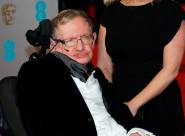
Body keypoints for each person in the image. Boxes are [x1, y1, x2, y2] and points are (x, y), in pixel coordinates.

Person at [97, 0, 185, 136]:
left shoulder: (171, 14)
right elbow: (104, 67)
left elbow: (170, 70)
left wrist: (133, 105)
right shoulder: (111, 12)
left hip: (159, 106)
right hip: (120, 102)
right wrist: (105, 105)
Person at [17, 9, 154, 136]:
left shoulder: (97, 76)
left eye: (85, 38)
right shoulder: (37, 72)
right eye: (69, 41)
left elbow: (121, 114)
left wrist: (135, 131)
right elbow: (40, 128)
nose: (80, 47)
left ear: (94, 39)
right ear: (53, 44)